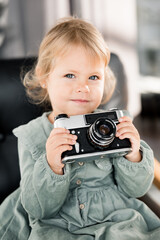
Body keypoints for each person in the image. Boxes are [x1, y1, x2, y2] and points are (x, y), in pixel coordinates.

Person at [0, 17, 160, 240]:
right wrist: (52, 165)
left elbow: (136, 190)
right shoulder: (31, 136)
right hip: (57, 225)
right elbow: (38, 208)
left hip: (117, 220)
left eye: (93, 77)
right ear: (45, 77)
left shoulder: (111, 125)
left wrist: (134, 155)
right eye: (70, 75)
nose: (83, 87)